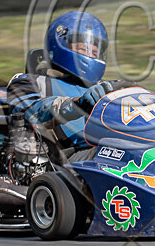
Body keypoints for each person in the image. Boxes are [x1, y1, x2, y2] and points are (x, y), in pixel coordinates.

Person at [7, 11, 127, 161]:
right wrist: (76, 105)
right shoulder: (29, 81)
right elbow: (29, 112)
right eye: (83, 49)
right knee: (121, 156)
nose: (90, 55)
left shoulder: (104, 87)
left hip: (111, 147)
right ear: (60, 45)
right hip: (66, 160)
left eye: (94, 52)